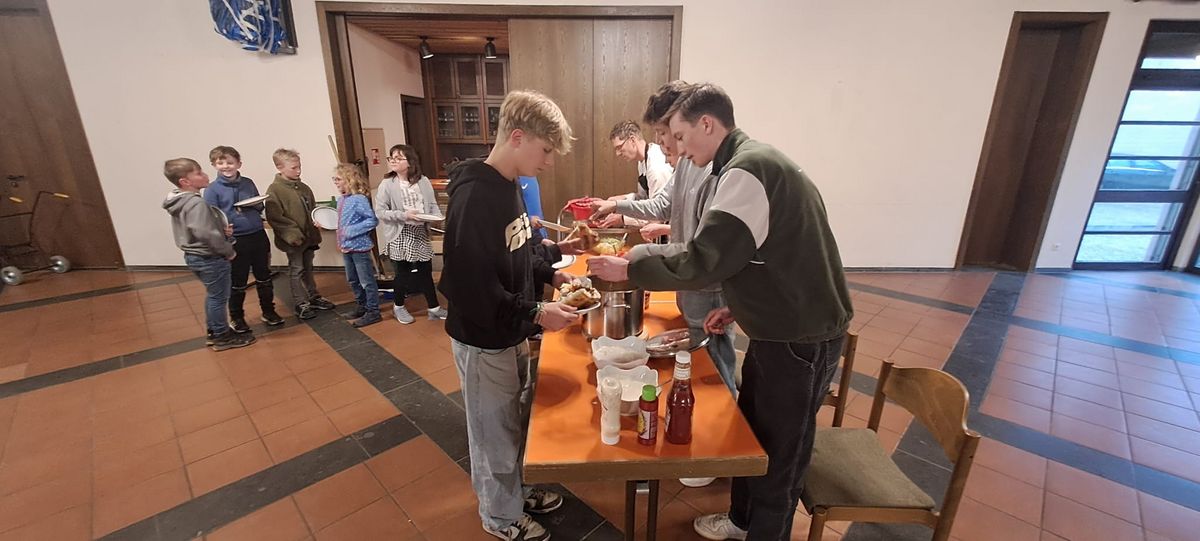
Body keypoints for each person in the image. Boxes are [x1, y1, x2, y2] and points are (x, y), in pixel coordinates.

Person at [588, 83, 853, 541]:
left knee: (781, 454)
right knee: (755, 434)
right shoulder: (749, 163)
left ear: (707, 124)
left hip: (800, 335)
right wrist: (738, 303)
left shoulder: (747, 171)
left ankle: (763, 531)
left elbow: (705, 259)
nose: (677, 150)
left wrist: (630, 267)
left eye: (679, 136)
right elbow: (768, 252)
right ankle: (742, 520)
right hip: (780, 327)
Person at [438, 90, 580, 541]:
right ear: (517, 137)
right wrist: (536, 311)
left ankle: (515, 492)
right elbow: (470, 288)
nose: (549, 162)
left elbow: (515, 253)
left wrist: (552, 267)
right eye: (546, 150)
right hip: (483, 339)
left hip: (510, 329)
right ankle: (499, 515)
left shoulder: (509, 185)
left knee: (511, 422)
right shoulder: (475, 197)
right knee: (492, 434)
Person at [589, 81, 737, 399]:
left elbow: (699, 251)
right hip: (689, 283)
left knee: (716, 370)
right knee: (695, 366)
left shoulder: (714, 171)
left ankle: (729, 418)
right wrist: (615, 206)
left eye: (664, 132)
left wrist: (638, 256)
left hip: (709, 290)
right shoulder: (687, 164)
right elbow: (660, 205)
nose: (660, 141)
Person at [161, 157, 256, 352]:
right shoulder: (195, 203)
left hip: (196, 256)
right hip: (209, 257)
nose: (204, 175)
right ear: (185, 182)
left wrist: (222, 230)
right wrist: (227, 250)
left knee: (214, 295)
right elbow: (204, 233)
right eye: (198, 173)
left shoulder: (180, 200)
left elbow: (201, 228)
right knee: (219, 298)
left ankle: (215, 331)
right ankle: (222, 336)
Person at [202, 145, 283, 331]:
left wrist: (257, 205)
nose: (226, 166)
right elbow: (212, 217)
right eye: (220, 163)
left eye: (230, 162)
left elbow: (258, 205)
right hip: (236, 239)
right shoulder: (212, 190)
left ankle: (269, 311)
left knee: (264, 277)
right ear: (214, 165)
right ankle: (237, 317)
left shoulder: (248, 183)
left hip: (257, 234)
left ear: (239, 163)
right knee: (238, 281)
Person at [375, 144, 447, 324]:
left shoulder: (423, 181)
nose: (393, 161)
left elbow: (432, 205)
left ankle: (434, 308)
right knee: (403, 272)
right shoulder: (387, 184)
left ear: (410, 162)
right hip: (401, 231)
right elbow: (381, 212)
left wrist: (437, 217)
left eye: (398, 158)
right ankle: (398, 306)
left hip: (420, 230)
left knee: (425, 271)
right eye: (391, 158)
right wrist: (404, 215)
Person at [264, 148, 335, 321]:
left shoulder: (303, 188)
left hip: (309, 237)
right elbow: (276, 218)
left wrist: (318, 222)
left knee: (308, 268)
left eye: (299, 167)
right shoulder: (274, 190)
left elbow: (312, 210)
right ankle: (300, 303)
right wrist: (293, 235)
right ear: (280, 167)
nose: (298, 171)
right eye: (294, 168)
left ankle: (313, 296)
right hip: (293, 240)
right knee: (296, 269)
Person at [333, 163, 381, 327]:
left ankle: (373, 311)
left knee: (366, 281)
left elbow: (371, 220)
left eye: (338, 179)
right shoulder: (341, 200)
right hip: (346, 247)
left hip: (359, 248)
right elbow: (341, 223)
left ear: (349, 180)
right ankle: (362, 306)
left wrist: (350, 231)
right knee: (352, 279)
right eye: (334, 179)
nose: (336, 182)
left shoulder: (359, 199)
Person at [605, 119, 673, 227]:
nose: (618, 153)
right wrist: (620, 199)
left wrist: (623, 219)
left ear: (632, 140)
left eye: (619, 147)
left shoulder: (656, 166)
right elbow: (645, 198)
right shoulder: (642, 160)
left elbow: (658, 214)